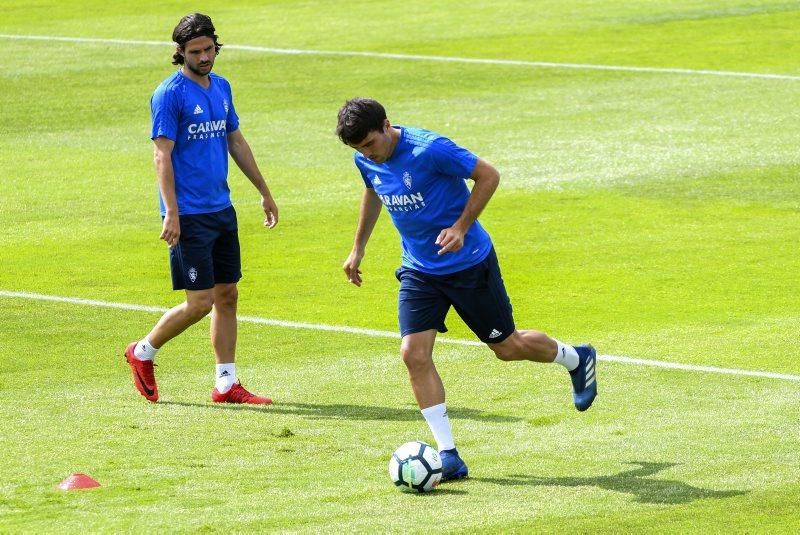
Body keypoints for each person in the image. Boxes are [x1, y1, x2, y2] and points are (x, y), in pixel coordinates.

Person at [337, 98, 597, 481]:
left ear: (387, 125)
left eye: (370, 145)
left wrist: (460, 227)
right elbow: (373, 189)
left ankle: (576, 358)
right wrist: (358, 247)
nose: (367, 155)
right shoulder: (367, 159)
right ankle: (449, 455)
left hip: (468, 264)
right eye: (359, 150)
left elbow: (489, 175)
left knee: (507, 348)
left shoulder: (430, 149)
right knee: (413, 353)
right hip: (419, 270)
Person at [124, 13, 278, 405]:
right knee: (200, 302)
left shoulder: (222, 87)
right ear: (180, 52)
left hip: (220, 208)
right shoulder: (170, 94)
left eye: (209, 49)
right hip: (188, 213)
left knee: (227, 294)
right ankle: (142, 352)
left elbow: (236, 142)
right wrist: (170, 212)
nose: (205, 57)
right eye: (196, 51)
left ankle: (226, 383)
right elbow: (162, 155)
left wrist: (263, 190)